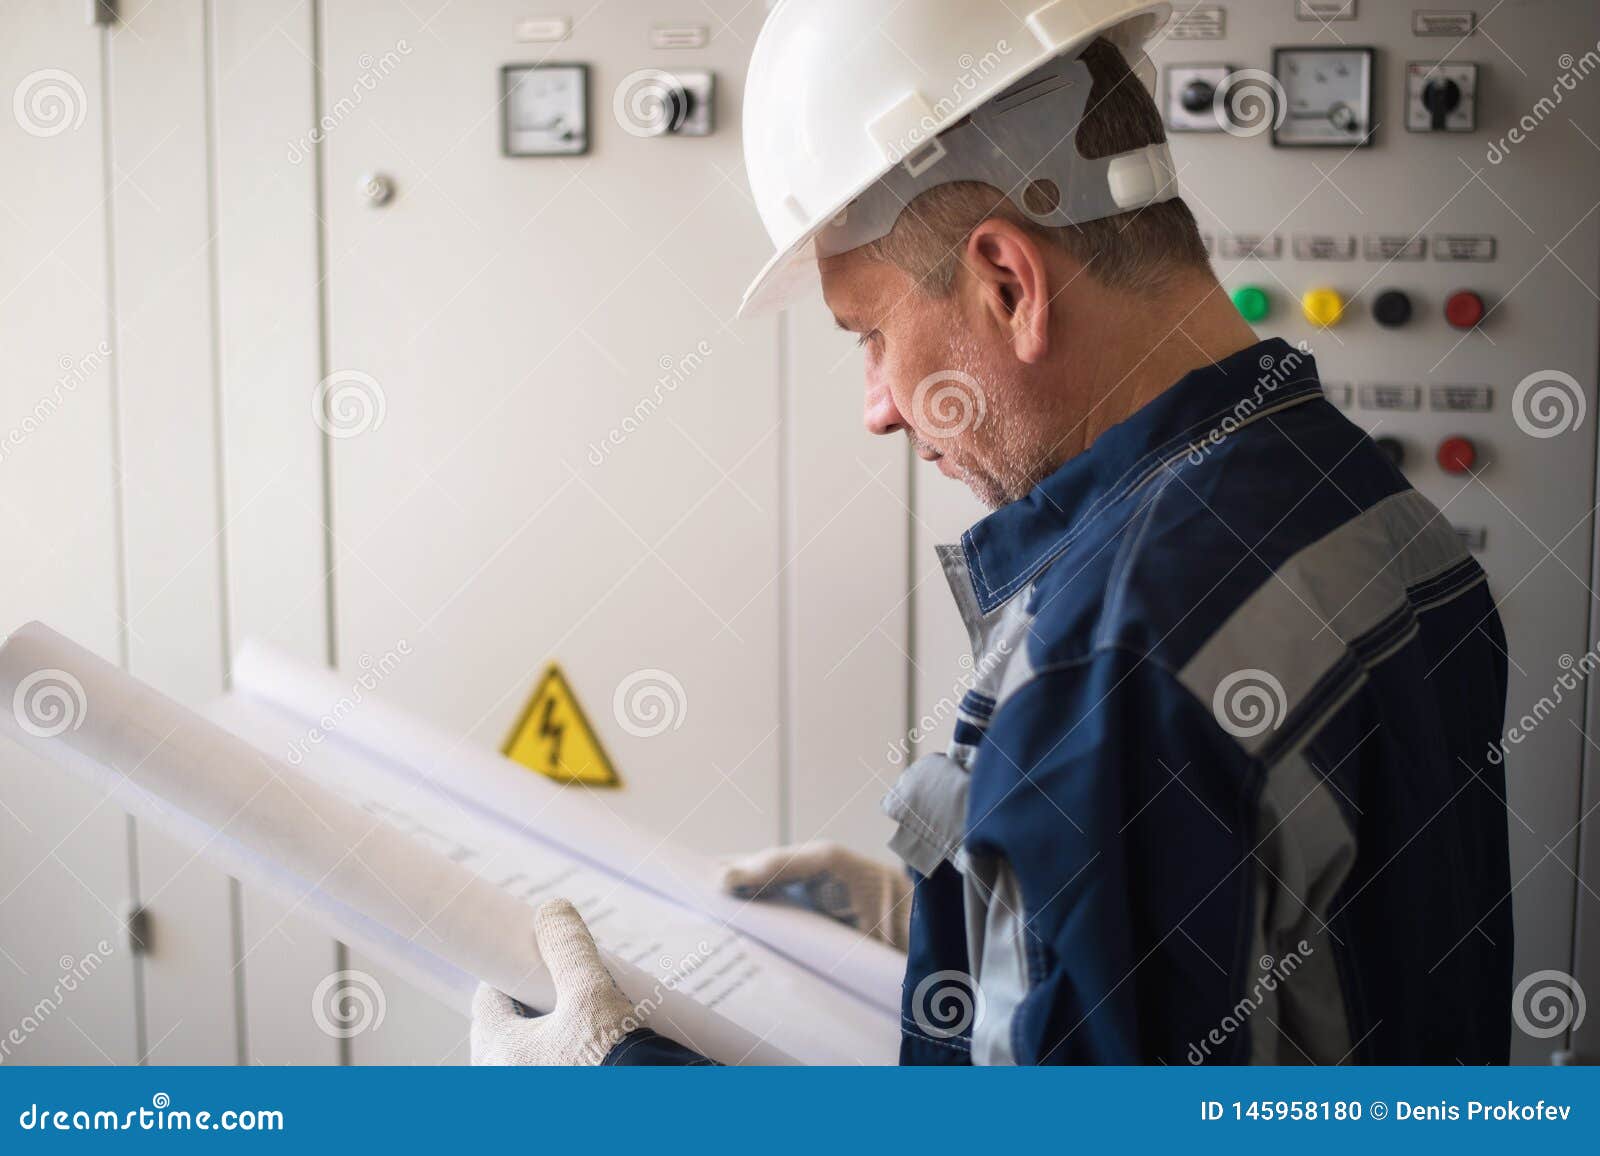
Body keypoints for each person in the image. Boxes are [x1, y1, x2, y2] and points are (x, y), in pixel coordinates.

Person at [471, 0, 1512, 1066]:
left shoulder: (1106, 672)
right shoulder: (1356, 496)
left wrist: (624, 1088)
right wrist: (967, 935)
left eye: (870, 334)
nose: (876, 404)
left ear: (1008, 283)